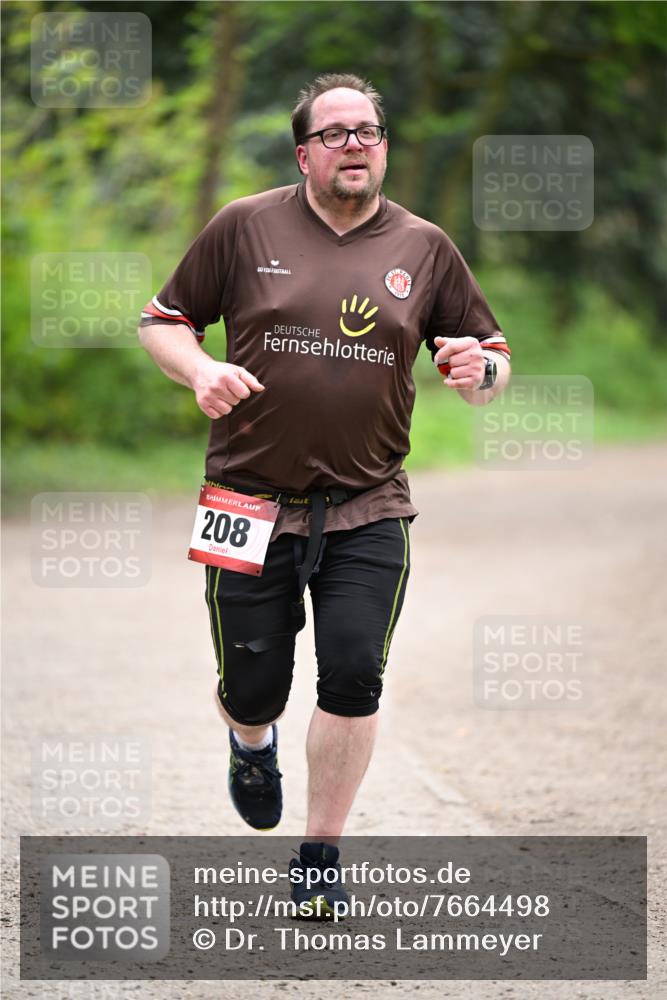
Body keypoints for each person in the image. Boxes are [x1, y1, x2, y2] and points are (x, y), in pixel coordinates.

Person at [138, 73, 511, 917]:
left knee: (353, 672)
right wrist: (199, 368)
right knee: (251, 683)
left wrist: (478, 371)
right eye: (335, 132)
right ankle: (250, 742)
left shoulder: (424, 246)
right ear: (304, 152)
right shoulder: (243, 226)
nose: (354, 143)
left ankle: (319, 857)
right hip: (243, 499)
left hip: (369, 504)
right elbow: (162, 320)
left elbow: (491, 359)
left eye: (368, 131)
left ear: (383, 146)